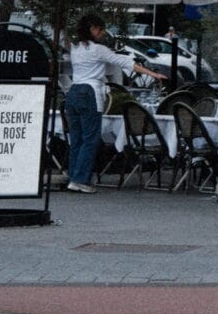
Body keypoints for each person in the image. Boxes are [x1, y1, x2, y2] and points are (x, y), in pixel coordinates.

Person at [61, 15, 162, 195]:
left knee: (76, 139)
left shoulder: (75, 48)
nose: (103, 33)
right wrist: (152, 74)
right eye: (101, 29)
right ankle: (80, 180)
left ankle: (73, 177)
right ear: (92, 29)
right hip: (90, 92)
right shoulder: (99, 50)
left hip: (73, 92)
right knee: (90, 139)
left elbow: (64, 40)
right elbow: (125, 62)